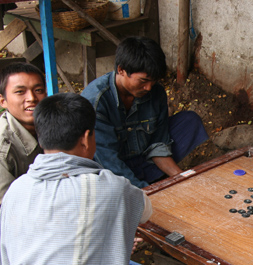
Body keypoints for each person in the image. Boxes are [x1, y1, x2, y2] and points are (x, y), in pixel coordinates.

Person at [0, 93, 235, 265]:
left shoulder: (16, 190)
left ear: (41, 136)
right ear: (87, 138)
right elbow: (145, 210)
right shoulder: (107, 187)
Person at [81, 36, 208, 188]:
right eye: (143, 81)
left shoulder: (156, 92)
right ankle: (139, 185)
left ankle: (147, 181)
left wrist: (182, 177)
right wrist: (144, 192)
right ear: (121, 70)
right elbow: (108, 161)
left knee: (189, 122)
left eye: (153, 82)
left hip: (141, 161)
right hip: (109, 171)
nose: (148, 88)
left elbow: (158, 144)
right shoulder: (95, 101)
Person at [0, 62, 47, 265]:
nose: (32, 98)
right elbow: (10, 207)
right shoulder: (2, 144)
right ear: (3, 101)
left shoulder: (49, 124)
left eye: (38, 90)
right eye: (20, 92)